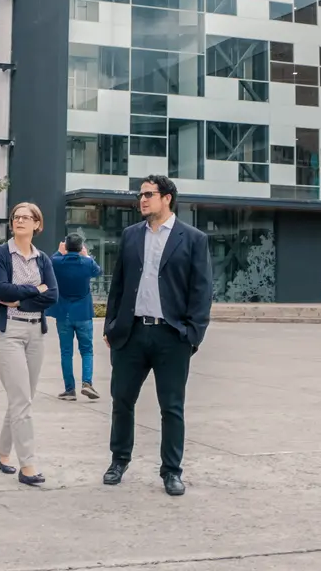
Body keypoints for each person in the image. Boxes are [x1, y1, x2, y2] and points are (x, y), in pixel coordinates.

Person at [102, 175, 213, 497]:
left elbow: (202, 290)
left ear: (167, 198)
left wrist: (193, 334)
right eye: (141, 195)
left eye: (149, 194)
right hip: (132, 333)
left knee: (172, 407)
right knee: (122, 400)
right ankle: (119, 460)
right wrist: (111, 325)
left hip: (171, 336)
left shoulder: (192, 239)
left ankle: (172, 471)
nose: (142, 200)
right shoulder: (131, 235)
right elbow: (118, 285)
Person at [0, 202, 58, 486]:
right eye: (16, 217)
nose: (19, 221)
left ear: (36, 224)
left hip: (35, 331)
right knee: (21, 400)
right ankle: (27, 465)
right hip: (8, 332)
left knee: (23, 398)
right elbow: (1, 290)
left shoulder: (43, 259)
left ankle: (3, 453)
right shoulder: (0, 254)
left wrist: (21, 299)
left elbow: (53, 295)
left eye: (26, 218)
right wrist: (35, 289)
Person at [51, 234, 103, 401]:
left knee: (66, 352)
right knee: (87, 351)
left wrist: (59, 252)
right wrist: (86, 256)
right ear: (81, 247)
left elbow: (48, 265)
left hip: (63, 313)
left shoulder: (57, 262)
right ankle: (87, 383)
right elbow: (98, 271)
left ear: (65, 246)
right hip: (83, 313)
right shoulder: (87, 263)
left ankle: (69, 389)